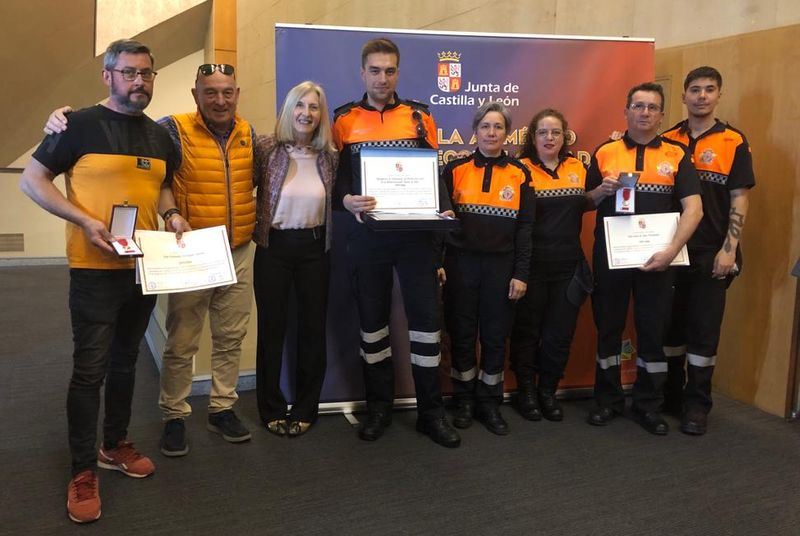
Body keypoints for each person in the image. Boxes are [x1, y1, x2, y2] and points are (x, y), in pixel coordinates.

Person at [45, 62, 258, 456]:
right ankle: (174, 414)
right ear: (196, 95)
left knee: (230, 337)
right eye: (210, 92)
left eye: (227, 91)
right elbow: (140, 149)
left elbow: (251, 182)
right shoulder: (170, 130)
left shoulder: (249, 133)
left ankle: (222, 408)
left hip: (238, 249)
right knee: (182, 339)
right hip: (191, 249)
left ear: (237, 94)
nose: (220, 99)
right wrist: (62, 118)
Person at [20, 39, 185, 524]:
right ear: (108, 76)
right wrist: (85, 221)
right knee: (90, 369)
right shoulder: (77, 124)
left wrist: (172, 214)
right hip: (93, 270)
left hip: (143, 265)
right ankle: (81, 468)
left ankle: (114, 445)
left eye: (147, 74)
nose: (140, 82)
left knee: (126, 362)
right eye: (130, 73)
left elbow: (164, 186)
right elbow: (32, 180)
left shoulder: (160, 137)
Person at [333, 37, 460, 448]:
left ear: (398, 73)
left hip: (418, 240)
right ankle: (379, 409)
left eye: (389, 70)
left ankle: (431, 413)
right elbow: (337, 184)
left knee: (426, 327)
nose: (382, 78)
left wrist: (444, 210)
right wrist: (346, 200)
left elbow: (434, 178)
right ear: (362, 72)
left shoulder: (421, 117)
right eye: (375, 70)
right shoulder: (343, 120)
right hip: (367, 239)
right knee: (372, 327)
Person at [585, 82, 702, 435]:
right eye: (638, 106)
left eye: (652, 107)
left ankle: (648, 405)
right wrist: (599, 191)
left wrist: (670, 251)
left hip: (659, 259)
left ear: (662, 114)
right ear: (626, 111)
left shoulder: (677, 154)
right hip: (611, 257)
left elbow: (693, 210)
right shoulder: (604, 150)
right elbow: (585, 202)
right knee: (608, 329)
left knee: (653, 332)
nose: (645, 113)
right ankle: (607, 401)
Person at [661, 67, 755, 435]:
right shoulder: (667, 139)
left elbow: (740, 198)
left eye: (709, 90)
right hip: (672, 251)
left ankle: (697, 405)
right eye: (695, 90)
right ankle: (670, 396)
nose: (701, 96)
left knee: (703, 332)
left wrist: (729, 250)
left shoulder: (734, 141)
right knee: (670, 330)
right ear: (683, 96)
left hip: (712, 253)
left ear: (719, 95)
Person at [440, 102, 534, 435]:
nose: (491, 133)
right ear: (475, 130)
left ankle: (489, 403)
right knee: (463, 336)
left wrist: (521, 272)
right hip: (461, 265)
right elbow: (439, 223)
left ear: (507, 133)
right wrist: (440, 263)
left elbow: (525, 228)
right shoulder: (454, 169)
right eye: (485, 126)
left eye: (498, 127)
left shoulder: (520, 173)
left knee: (495, 338)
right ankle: (464, 399)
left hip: (502, 268)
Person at [252, 81, 338, 437]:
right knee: (271, 331)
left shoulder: (330, 155)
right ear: (289, 110)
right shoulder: (266, 148)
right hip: (273, 248)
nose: (306, 113)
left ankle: (305, 407)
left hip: (315, 250)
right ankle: (271, 407)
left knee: (312, 332)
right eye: (300, 105)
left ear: (321, 115)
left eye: (314, 107)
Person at [509, 108, 591, 422]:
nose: (549, 138)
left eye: (556, 132)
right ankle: (526, 392)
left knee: (560, 334)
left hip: (568, 267)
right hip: (531, 267)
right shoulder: (520, 168)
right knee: (527, 332)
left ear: (565, 137)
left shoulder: (578, 166)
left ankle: (548, 391)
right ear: (532, 137)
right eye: (542, 132)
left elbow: (590, 199)